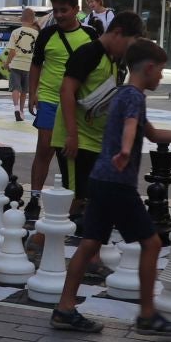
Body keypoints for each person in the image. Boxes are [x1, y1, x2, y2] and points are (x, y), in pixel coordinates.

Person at [50, 40, 171, 336]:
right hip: (117, 182)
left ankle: (64, 309)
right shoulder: (134, 98)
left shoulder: (125, 94)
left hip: (101, 179)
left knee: (90, 243)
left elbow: (151, 134)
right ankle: (147, 315)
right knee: (151, 244)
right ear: (150, 68)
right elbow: (131, 127)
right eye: (162, 70)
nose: (162, 77)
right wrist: (127, 151)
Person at [57, 11, 144, 217]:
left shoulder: (113, 60)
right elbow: (66, 91)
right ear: (118, 33)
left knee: (87, 197)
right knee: (73, 197)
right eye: (128, 44)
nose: (127, 52)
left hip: (94, 140)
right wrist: (72, 135)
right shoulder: (89, 53)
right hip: (75, 139)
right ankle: (42, 240)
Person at [27, 0, 93, 196]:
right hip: (49, 100)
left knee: (74, 154)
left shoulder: (90, 35)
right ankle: (35, 198)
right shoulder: (46, 35)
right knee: (44, 150)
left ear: (76, 9)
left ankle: (74, 199)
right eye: (55, 11)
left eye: (63, 10)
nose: (58, 15)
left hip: (78, 103)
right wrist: (32, 94)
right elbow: (36, 65)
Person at [0, 5, 41, 122]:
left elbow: (12, 51)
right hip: (29, 66)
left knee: (16, 88)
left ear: (21, 19)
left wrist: (7, 63)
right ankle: (21, 111)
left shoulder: (16, 32)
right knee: (25, 90)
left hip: (16, 65)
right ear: (33, 20)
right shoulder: (37, 34)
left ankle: (15, 107)